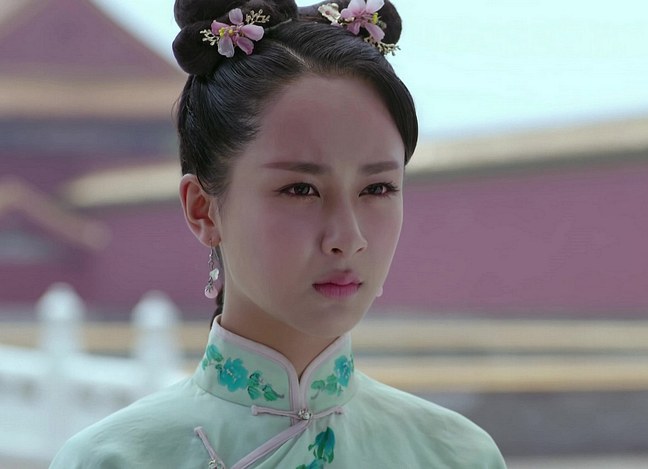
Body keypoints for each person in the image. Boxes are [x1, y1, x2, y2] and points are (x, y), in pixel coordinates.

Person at [50, 0, 506, 467]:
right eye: (301, 189)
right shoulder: (115, 459)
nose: (348, 237)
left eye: (378, 188)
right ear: (203, 209)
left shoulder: (456, 456)